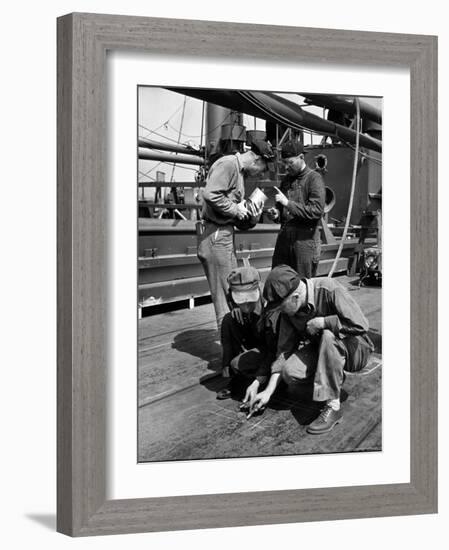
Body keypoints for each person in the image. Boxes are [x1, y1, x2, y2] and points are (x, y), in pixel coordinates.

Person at [249, 265, 374, 434]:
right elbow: (284, 352)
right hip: (323, 350)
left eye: (280, 307)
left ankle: (333, 406)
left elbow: (361, 325)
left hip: (356, 349)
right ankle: (331, 378)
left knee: (328, 336)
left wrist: (323, 322)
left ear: (295, 296)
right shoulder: (290, 312)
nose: (280, 311)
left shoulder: (330, 289)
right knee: (290, 371)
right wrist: (267, 392)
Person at [197, 140, 274, 332]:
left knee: (233, 290)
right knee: (225, 296)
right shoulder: (229, 164)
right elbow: (211, 194)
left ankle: (232, 343)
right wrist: (235, 209)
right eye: (263, 169)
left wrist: (251, 212)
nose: (261, 174)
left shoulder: (238, 172)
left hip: (224, 235)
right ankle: (229, 351)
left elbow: (236, 215)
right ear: (257, 160)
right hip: (215, 235)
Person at [217, 264, 276, 402]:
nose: (246, 305)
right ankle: (234, 378)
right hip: (251, 343)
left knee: (237, 364)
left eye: (250, 301)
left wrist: (261, 375)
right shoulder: (235, 305)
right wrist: (235, 309)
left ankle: (264, 380)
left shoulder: (270, 309)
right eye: (241, 301)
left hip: (269, 350)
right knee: (228, 320)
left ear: (258, 291)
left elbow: (273, 349)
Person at [269, 140, 326, 278]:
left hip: (305, 241)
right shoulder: (286, 180)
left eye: (290, 163)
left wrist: (288, 203)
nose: (287, 167)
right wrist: (276, 214)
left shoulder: (314, 179)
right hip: (284, 238)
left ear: (301, 157)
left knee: (302, 285)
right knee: (278, 279)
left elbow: (316, 211)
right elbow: (282, 209)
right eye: (284, 164)